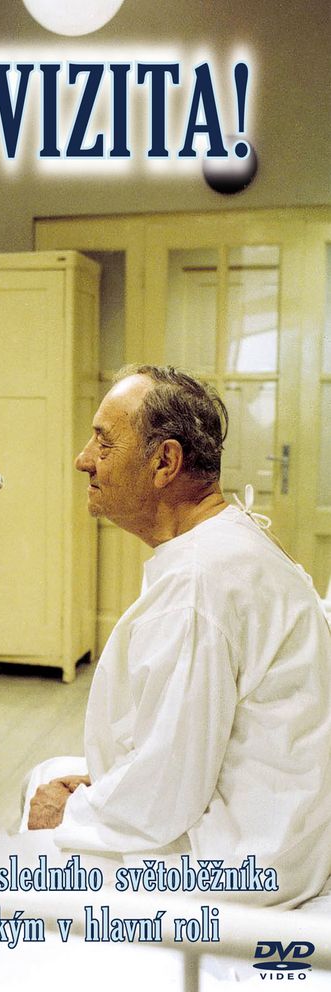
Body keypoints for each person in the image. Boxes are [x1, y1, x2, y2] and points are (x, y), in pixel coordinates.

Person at [25, 365, 331, 908]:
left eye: (103, 442)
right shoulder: (226, 541)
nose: (83, 459)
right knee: (49, 779)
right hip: (279, 832)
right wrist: (108, 784)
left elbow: (164, 795)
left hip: (241, 863)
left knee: (32, 836)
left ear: (165, 462)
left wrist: (71, 813)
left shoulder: (198, 582)